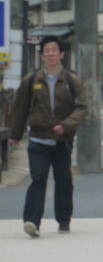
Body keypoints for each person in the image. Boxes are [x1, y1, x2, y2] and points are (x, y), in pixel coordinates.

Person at [9, 35, 88, 237]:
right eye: (46, 50)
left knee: (64, 181)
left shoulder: (71, 80)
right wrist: (15, 134)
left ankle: (63, 220)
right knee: (38, 179)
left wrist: (66, 125)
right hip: (37, 139)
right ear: (42, 55)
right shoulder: (31, 80)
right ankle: (31, 222)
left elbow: (81, 108)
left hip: (63, 141)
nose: (50, 53)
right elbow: (20, 109)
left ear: (61, 54)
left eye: (54, 50)